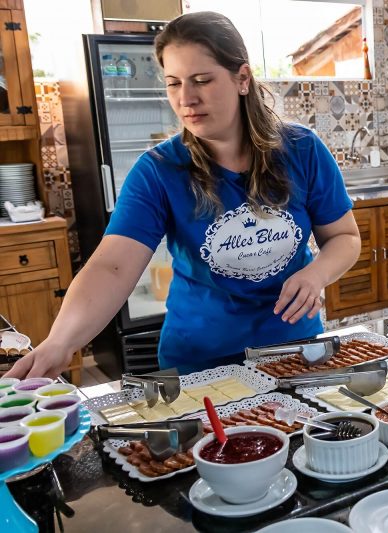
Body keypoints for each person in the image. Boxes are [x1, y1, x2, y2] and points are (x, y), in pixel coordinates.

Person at [7, 12, 361, 378]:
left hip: (293, 351)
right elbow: (111, 266)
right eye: (173, 83)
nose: (186, 98)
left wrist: (316, 274)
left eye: (202, 80)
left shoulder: (302, 150)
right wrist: (60, 342)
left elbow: (344, 238)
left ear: (242, 78)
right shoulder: (159, 170)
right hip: (200, 364)